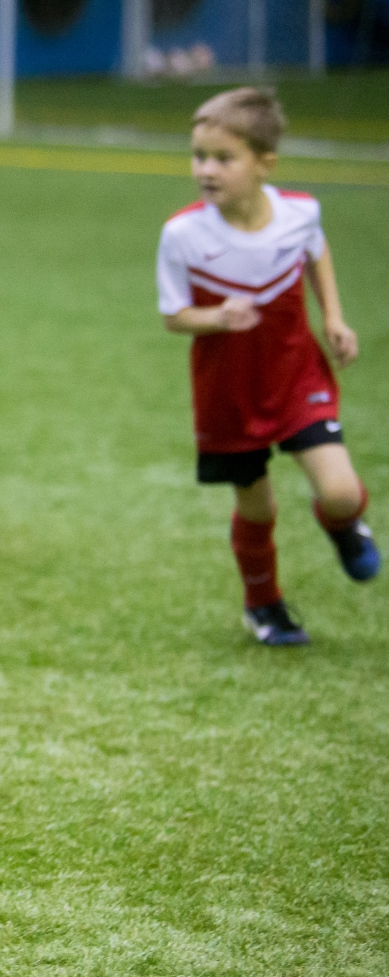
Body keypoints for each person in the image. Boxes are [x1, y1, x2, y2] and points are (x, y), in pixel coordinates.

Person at [156, 87, 378, 646]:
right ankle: (265, 607)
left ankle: (345, 527)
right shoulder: (182, 234)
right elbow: (174, 316)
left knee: (341, 491)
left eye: (223, 158)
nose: (206, 170)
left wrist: (334, 317)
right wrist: (216, 317)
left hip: (296, 374)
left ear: (264, 163)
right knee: (257, 505)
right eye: (198, 156)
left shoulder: (299, 212)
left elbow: (315, 249)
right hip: (228, 390)